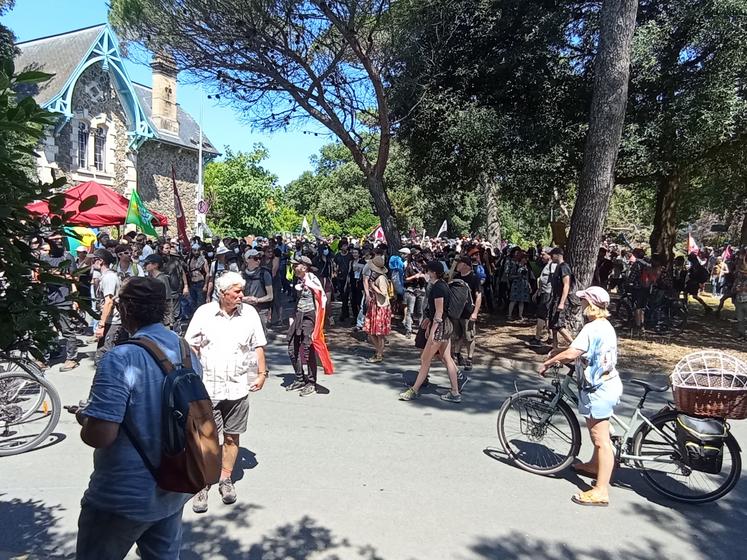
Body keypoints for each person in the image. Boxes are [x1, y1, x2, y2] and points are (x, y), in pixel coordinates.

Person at [75, 277, 200, 559]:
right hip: (173, 485)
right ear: (164, 308)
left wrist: (85, 419)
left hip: (121, 495)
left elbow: (101, 435)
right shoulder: (185, 351)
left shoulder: (121, 358)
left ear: (124, 309)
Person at [185, 271, 267, 514]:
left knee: (232, 436)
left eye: (241, 291)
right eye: (237, 291)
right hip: (209, 387)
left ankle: (225, 479)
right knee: (207, 439)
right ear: (222, 294)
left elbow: (258, 346)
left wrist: (261, 374)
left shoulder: (249, 314)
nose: (241, 295)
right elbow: (191, 346)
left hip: (238, 386)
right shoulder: (204, 313)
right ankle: (202, 484)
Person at [540, 286, 622, 507]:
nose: (582, 304)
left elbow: (573, 352)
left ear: (591, 305)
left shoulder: (592, 328)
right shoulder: (605, 326)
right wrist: (562, 355)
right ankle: (595, 466)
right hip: (607, 383)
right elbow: (583, 351)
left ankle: (600, 490)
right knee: (598, 434)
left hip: (599, 389)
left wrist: (550, 361)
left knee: (601, 440)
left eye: (584, 300)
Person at [399, 260, 462, 403]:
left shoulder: (438, 288)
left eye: (428, 271)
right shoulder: (442, 285)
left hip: (440, 327)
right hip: (447, 326)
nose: (426, 273)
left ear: (433, 272)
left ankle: (414, 390)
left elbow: (439, 313)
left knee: (425, 359)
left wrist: (432, 330)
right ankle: (455, 392)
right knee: (447, 358)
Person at [286, 255, 334, 396]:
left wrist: (318, 324)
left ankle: (311, 382)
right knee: (291, 347)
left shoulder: (312, 279)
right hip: (299, 315)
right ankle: (300, 378)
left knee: (308, 349)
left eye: (297, 265)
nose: (294, 268)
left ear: (304, 267)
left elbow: (321, 299)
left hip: (310, 317)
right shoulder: (299, 280)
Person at [93, 249, 126, 363]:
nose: (92, 263)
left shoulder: (109, 278)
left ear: (100, 261)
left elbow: (109, 302)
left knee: (104, 356)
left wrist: (101, 325)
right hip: (109, 320)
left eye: (94, 260)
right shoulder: (105, 277)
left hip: (113, 321)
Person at [451, 256, 482, 371]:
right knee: (457, 336)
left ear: (465, 265)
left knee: (469, 337)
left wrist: (475, 313)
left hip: (468, 312)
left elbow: (478, 296)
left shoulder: (474, 278)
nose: (457, 265)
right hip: (456, 312)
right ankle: (457, 355)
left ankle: (469, 358)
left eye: (459, 263)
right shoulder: (456, 277)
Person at [363, 255, 391, 363]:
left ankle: (379, 354)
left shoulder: (381, 278)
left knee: (379, 333)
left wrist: (373, 287)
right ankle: (378, 351)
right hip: (375, 305)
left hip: (381, 307)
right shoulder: (376, 277)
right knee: (371, 331)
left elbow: (384, 293)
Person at [548, 248, 575, 351]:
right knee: (553, 325)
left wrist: (562, 302)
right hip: (554, 298)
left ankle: (574, 346)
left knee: (559, 325)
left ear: (558, 255)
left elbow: (566, 285)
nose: (551, 257)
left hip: (561, 299)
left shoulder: (564, 267)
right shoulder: (557, 267)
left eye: (552, 255)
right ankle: (555, 348)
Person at [241, 248, 274, 333]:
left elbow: (270, 296)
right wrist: (244, 299)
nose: (258, 261)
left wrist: (257, 300)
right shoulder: (241, 275)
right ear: (247, 260)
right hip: (245, 310)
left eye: (260, 258)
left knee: (261, 336)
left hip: (261, 311)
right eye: (255, 258)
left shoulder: (264, 274)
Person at [528, 248, 555, 347]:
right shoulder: (547, 266)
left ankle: (537, 338)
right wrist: (537, 292)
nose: (541, 256)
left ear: (549, 255)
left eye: (543, 254)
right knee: (546, 316)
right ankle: (551, 336)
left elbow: (554, 280)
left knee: (541, 316)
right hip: (544, 292)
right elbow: (542, 280)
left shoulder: (553, 266)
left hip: (548, 294)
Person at [143, 254, 174, 328]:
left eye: (147, 263)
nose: (145, 266)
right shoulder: (151, 278)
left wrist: (169, 320)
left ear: (155, 265)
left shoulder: (161, 279)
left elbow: (167, 300)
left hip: (163, 318)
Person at [508, 252, 532, 321]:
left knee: (522, 301)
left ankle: (520, 315)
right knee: (513, 300)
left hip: (524, 285)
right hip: (516, 284)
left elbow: (527, 277)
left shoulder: (526, 267)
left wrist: (529, 285)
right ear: (521, 258)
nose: (526, 259)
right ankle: (509, 315)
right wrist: (517, 276)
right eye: (525, 258)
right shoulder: (516, 265)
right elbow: (510, 276)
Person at [333, 240, 354, 322]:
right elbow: (335, 264)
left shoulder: (350, 255)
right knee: (343, 295)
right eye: (344, 245)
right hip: (340, 278)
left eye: (346, 245)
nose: (345, 247)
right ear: (341, 247)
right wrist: (335, 271)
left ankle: (345, 312)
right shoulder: (337, 255)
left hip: (349, 278)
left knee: (348, 295)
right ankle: (345, 311)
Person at [187, 243, 209, 310]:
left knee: (200, 303)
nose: (196, 252)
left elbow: (207, 273)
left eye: (198, 250)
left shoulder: (203, 260)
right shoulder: (189, 260)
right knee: (192, 302)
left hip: (200, 283)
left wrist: (205, 285)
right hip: (192, 283)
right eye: (194, 250)